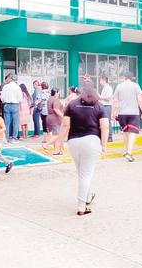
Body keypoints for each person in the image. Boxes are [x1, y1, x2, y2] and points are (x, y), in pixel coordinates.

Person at [60, 83, 109, 216]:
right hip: (92, 141)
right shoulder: (99, 106)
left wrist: (60, 141)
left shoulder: (71, 105)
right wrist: (104, 145)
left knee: (82, 173)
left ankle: (88, 196)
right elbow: (104, 127)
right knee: (86, 174)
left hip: (73, 142)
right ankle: (81, 206)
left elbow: (65, 125)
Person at [113, 72, 142, 162]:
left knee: (125, 132)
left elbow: (115, 101)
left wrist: (114, 113)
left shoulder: (119, 86)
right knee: (133, 132)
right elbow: (140, 99)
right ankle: (129, 152)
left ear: (124, 77)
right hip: (133, 113)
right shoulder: (136, 86)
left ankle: (126, 150)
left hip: (122, 113)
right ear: (132, 78)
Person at [0, 74, 22, 142]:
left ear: (11, 79)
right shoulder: (17, 87)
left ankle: (6, 138)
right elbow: (20, 98)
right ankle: (14, 138)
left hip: (6, 105)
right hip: (15, 105)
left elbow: (2, 97)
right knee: (15, 122)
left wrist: (4, 101)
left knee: (6, 123)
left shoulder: (5, 86)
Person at [44, 88, 64, 155]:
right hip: (55, 118)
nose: (59, 94)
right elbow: (56, 109)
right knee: (58, 135)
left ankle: (57, 150)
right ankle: (46, 144)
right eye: (58, 93)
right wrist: (63, 116)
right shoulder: (55, 99)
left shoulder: (49, 99)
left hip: (49, 118)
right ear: (56, 93)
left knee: (55, 135)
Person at [99, 76, 114, 142]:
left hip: (107, 106)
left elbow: (108, 98)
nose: (100, 82)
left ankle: (109, 137)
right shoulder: (104, 88)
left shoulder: (109, 88)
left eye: (100, 80)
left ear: (104, 80)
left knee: (107, 121)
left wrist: (100, 97)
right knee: (104, 122)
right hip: (103, 106)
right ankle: (105, 136)